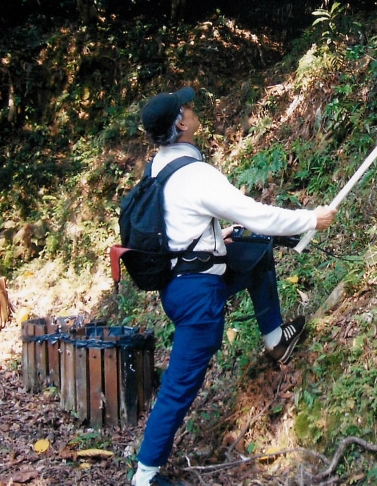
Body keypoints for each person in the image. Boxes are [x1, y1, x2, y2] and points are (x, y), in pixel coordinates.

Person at [130, 87, 337, 486]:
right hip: (197, 295)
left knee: (255, 250)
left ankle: (276, 338)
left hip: (180, 280)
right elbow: (256, 214)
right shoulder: (195, 175)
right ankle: (146, 474)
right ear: (179, 124)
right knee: (180, 384)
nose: (192, 109)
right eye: (186, 108)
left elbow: (176, 225)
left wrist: (213, 237)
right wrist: (311, 219)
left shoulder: (158, 168)